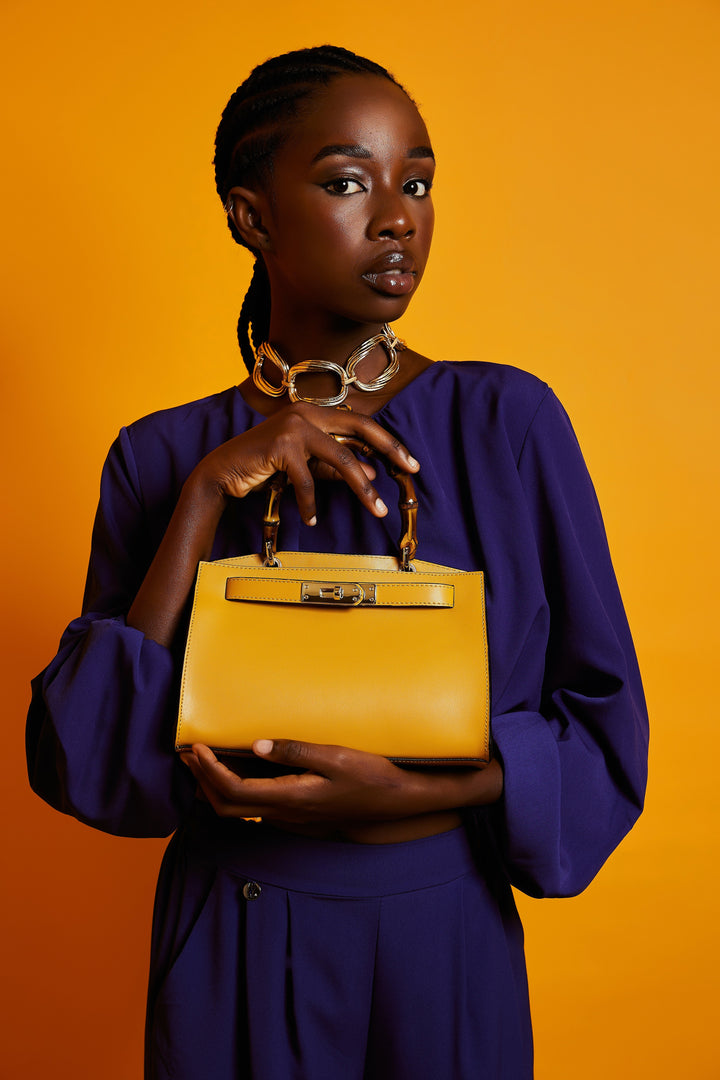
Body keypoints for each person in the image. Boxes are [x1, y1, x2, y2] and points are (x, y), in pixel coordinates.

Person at [26, 45, 648, 1080]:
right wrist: (200, 501)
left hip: (445, 941)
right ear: (250, 216)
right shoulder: (162, 456)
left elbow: (604, 737)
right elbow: (92, 768)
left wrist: (415, 797)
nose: (399, 215)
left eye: (418, 182)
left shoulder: (509, 425)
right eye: (350, 181)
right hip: (234, 935)